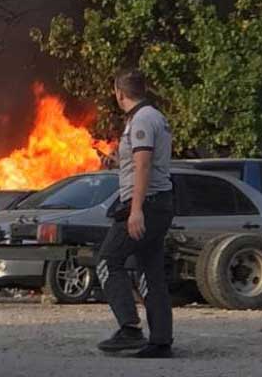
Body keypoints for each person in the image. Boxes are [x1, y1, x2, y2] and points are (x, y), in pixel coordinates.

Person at [96, 68, 175, 358]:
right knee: (150, 270)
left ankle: (129, 329)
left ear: (119, 92)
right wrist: (117, 161)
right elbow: (138, 162)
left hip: (147, 204)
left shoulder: (141, 120)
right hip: (159, 202)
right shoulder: (155, 117)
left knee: (108, 260)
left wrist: (136, 210)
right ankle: (161, 341)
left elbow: (143, 165)